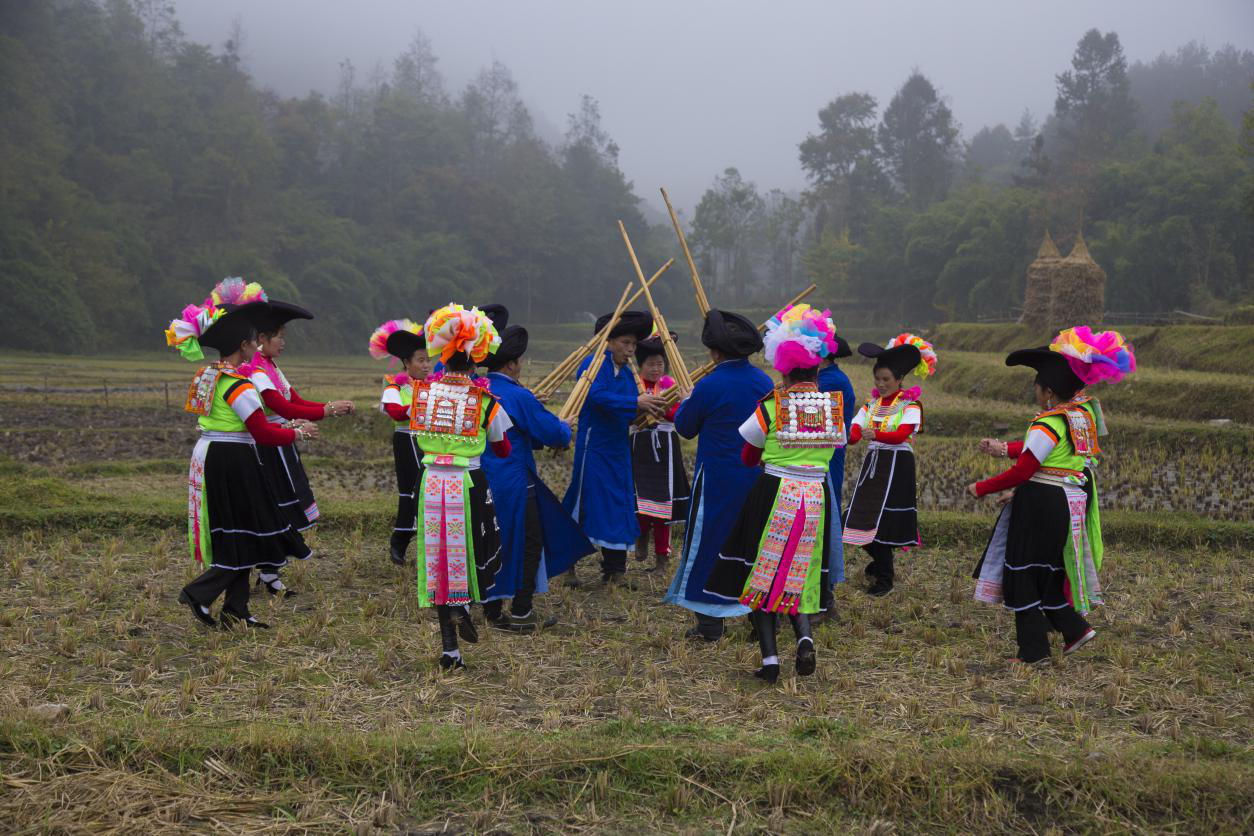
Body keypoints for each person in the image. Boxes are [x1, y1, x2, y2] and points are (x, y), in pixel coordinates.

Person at [968, 327, 1135, 665]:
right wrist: (1004, 448)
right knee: (1047, 573)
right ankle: (1074, 629)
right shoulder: (1080, 416)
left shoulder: (1047, 422)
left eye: (1037, 387)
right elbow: (1049, 452)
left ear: (1048, 391)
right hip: (1066, 501)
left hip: (1041, 503)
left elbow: (1025, 469)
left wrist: (982, 487)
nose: (1035, 392)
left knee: (1022, 573)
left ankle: (1034, 651)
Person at [703, 304, 845, 683]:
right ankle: (804, 638)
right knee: (800, 571)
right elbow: (834, 451)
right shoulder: (832, 409)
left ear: (783, 369)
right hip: (815, 497)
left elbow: (748, 455)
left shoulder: (772, 406)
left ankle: (770, 662)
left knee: (763, 572)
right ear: (817, 368)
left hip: (775, 492)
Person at [165, 280, 316, 630]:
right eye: (252, 342)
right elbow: (262, 431)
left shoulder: (210, 375)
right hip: (232, 459)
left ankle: (236, 609)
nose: (255, 347)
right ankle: (199, 592)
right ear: (243, 346)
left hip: (216, 455)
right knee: (246, 529)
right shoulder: (238, 385)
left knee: (241, 532)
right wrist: (299, 432)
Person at [411, 304, 512, 669]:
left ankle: (450, 651)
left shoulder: (422, 395)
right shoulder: (484, 401)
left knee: (439, 560)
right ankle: (464, 605)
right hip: (467, 482)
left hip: (431, 483)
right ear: (474, 360)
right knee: (470, 550)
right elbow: (502, 447)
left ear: (443, 357)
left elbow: (414, 435)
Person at [664, 309, 773, 641]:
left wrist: (687, 401)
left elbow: (685, 427)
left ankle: (710, 623)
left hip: (717, 479)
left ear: (714, 352)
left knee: (709, 541)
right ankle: (760, 622)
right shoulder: (764, 382)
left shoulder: (709, 385)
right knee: (754, 543)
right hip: (757, 475)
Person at [479, 323, 596, 631]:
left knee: (489, 542)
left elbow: (514, 433)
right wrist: (565, 426)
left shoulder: (477, 389)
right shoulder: (518, 396)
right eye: (519, 362)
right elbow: (552, 432)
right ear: (511, 364)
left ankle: (491, 608)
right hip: (513, 482)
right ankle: (521, 610)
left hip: (479, 481)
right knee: (529, 542)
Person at [240, 297, 355, 597]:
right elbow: (282, 407)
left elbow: (296, 401)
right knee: (275, 509)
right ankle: (266, 573)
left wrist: (330, 407)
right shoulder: (255, 369)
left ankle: (269, 573)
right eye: (279, 336)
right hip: (268, 446)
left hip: (283, 443)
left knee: (281, 509)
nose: (283, 342)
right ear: (262, 339)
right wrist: (328, 410)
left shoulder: (271, 366)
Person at [562, 310, 666, 586]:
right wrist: (635, 403)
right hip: (594, 446)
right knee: (586, 502)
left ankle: (615, 570)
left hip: (619, 448)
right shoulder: (593, 364)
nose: (630, 349)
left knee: (619, 504)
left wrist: (646, 413)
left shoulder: (629, 375)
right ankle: (567, 566)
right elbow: (596, 396)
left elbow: (630, 411)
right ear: (609, 341)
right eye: (625, 343)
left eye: (634, 344)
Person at [842, 333, 937, 596]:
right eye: (877, 379)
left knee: (882, 523)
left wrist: (875, 434)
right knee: (851, 518)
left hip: (897, 467)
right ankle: (880, 563)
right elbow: (854, 433)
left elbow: (901, 435)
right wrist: (840, 433)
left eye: (886, 379)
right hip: (874, 466)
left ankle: (885, 580)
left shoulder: (911, 405)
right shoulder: (870, 405)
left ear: (899, 379)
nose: (881, 384)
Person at [369, 318, 432, 566]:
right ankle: (400, 541)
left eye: (428, 360)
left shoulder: (432, 385)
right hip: (407, 440)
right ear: (407, 363)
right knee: (412, 490)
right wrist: (422, 405)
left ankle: (425, 545)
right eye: (420, 360)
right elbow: (395, 411)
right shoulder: (394, 384)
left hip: (428, 441)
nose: (426, 365)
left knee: (427, 490)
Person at [630, 332, 689, 573]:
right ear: (641, 366)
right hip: (640, 445)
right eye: (651, 364)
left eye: (660, 364)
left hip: (665, 446)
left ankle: (662, 557)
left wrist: (662, 408)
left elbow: (678, 415)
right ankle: (642, 534)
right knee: (641, 498)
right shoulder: (634, 386)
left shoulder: (670, 385)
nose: (656, 369)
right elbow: (628, 413)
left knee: (663, 503)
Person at [815, 332, 856, 620]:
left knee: (823, 523)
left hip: (825, 462)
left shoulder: (830, 382)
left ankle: (825, 598)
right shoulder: (828, 378)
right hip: (821, 460)